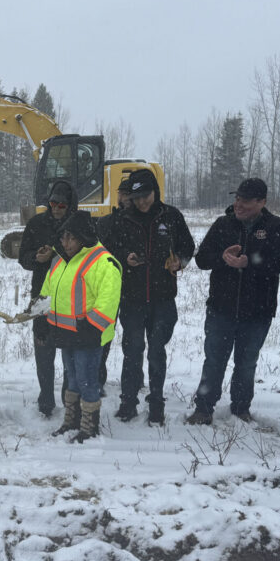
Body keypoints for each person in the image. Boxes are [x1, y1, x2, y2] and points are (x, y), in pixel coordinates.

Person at [186, 179, 280, 424]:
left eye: (245, 200)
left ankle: (241, 408)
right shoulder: (223, 224)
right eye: (237, 198)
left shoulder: (276, 226)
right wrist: (222, 259)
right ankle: (203, 408)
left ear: (262, 202)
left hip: (258, 312)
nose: (239, 204)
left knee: (246, 363)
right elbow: (202, 259)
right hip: (221, 309)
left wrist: (250, 263)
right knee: (214, 361)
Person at [99, 168, 194, 426]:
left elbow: (187, 247)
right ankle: (128, 402)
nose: (142, 202)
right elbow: (105, 252)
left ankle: (156, 403)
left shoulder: (171, 216)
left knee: (156, 351)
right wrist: (124, 258)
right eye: (137, 196)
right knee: (133, 350)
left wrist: (180, 262)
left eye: (146, 195)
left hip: (163, 298)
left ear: (156, 192)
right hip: (131, 297)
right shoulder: (122, 220)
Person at [40, 211, 121, 442]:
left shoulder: (103, 262)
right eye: (63, 237)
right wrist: (41, 319)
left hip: (88, 335)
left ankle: (89, 425)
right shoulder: (59, 261)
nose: (65, 243)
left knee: (87, 379)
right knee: (72, 377)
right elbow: (47, 294)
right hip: (65, 333)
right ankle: (72, 419)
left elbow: (108, 300)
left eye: (71, 238)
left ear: (84, 237)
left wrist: (92, 328)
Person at [17, 180, 78, 416]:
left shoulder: (79, 225)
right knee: (43, 349)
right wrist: (37, 258)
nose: (56, 208)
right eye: (52, 203)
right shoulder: (36, 224)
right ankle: (45, 399)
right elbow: (23, 258)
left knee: (69, 351)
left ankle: (68, 397)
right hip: (41, 296)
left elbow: (87, 256)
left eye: (62, 205)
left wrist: (59, 253)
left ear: (70, 205)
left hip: (70, 297)